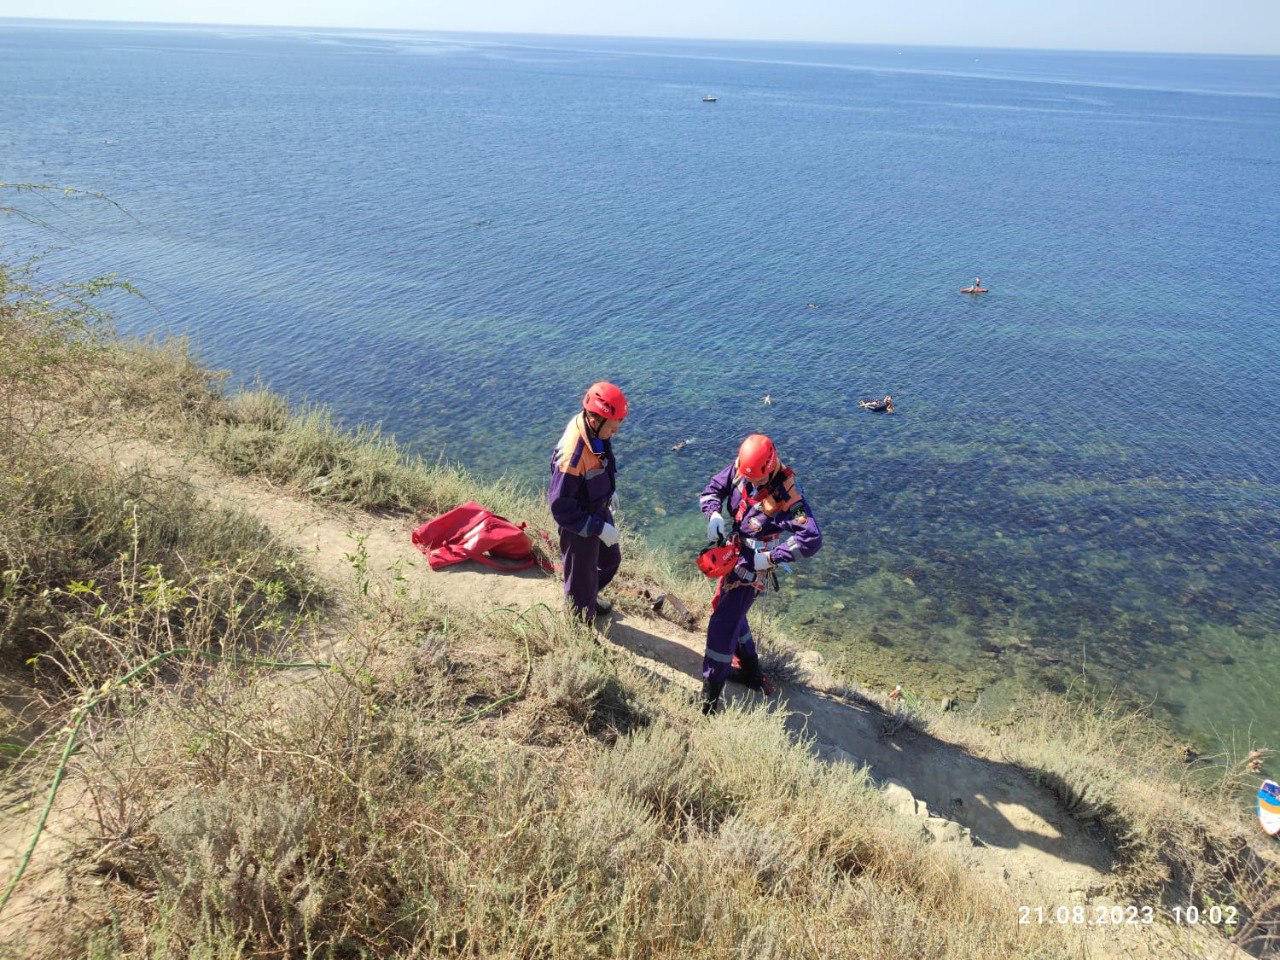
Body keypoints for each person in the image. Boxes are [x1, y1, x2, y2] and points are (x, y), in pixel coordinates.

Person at [697, 434, 822, 713]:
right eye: (748, 480)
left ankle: (709, 698)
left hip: (753, 566)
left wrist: (770, 558)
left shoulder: (789, 496)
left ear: (771, 466)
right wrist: (714, 514)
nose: (752, 486)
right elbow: (712, 490)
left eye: (758, 482)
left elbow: (811, 540)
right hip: (734, 554)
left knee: (721, 626)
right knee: (726, 610)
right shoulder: (744, 469)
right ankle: (752, 674)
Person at [549, 382, 628, 622]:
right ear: (596, 420)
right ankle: (579, 624)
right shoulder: (572, 456)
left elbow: (600, 462)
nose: (614, 434)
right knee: (581, 577)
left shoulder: (596, 430)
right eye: (612, 429)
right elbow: (561, 507)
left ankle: (588, 597)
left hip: (596, 506)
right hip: (579, 522)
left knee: (609, 559)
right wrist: (596, 527)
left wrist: (609, 491)